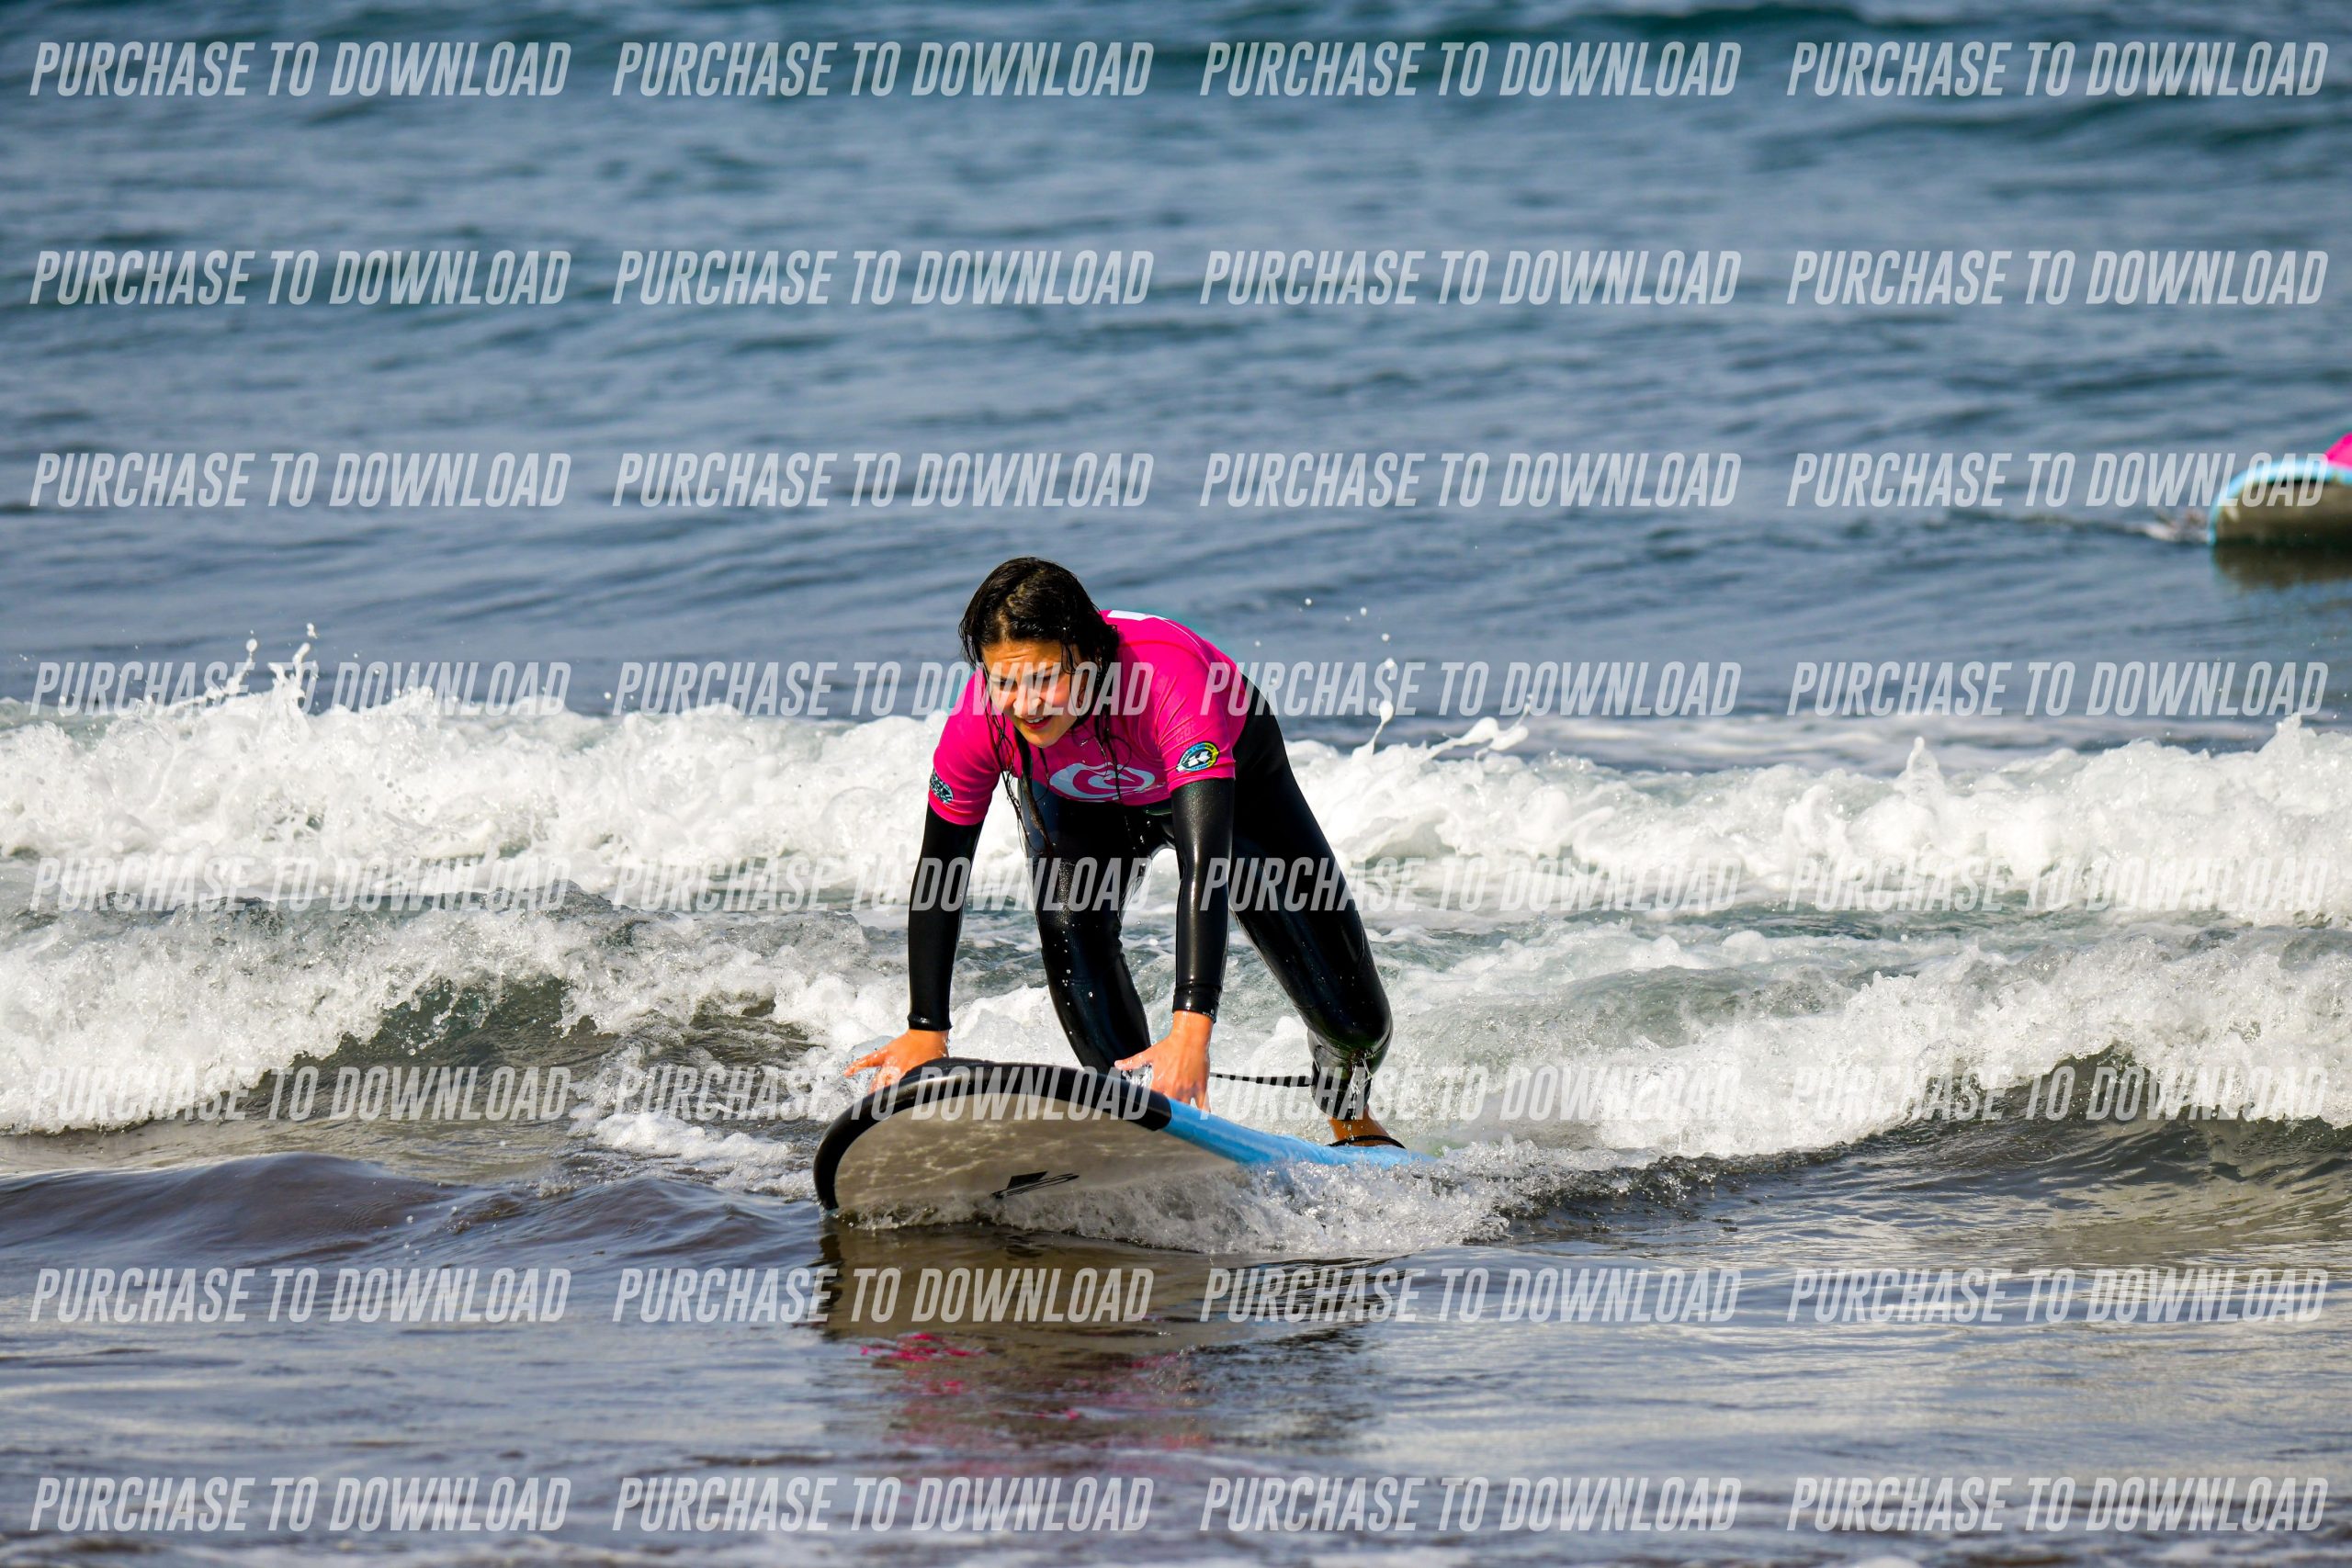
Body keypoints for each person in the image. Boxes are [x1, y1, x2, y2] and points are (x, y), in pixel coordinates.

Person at [845, 557, 1400, 1146]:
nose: (1026, 705)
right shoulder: (981, 722)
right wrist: (926, 1026)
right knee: (1069, 928)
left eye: (1045, 678)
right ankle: (1141, 1121)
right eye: (1004, 682)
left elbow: (1205, 870)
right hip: (1083, 804)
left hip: (1238, 790)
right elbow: (940, 873)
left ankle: (1349, 1117)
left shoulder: (1167, 678)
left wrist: (1191, 1028)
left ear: (1088, 656)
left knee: (1358, 1026)